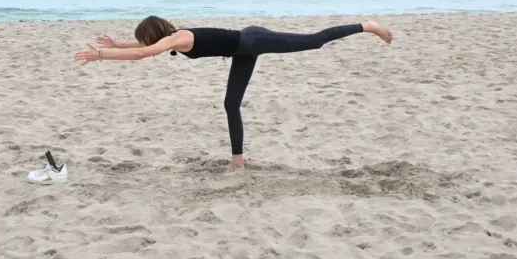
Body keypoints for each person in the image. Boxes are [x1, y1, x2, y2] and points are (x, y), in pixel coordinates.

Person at [74, 16, 392, 169]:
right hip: (243, 50)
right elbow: (145, 46)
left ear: (156, 34)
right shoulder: (172, 37)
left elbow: (144, 54)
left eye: (146, 38)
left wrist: (102, 56)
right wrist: (117, 44)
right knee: (231, 105)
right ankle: (238, 161)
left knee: (315, 40)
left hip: (253, 41)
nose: (147, 43)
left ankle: (368, 25)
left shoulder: (177, 39)